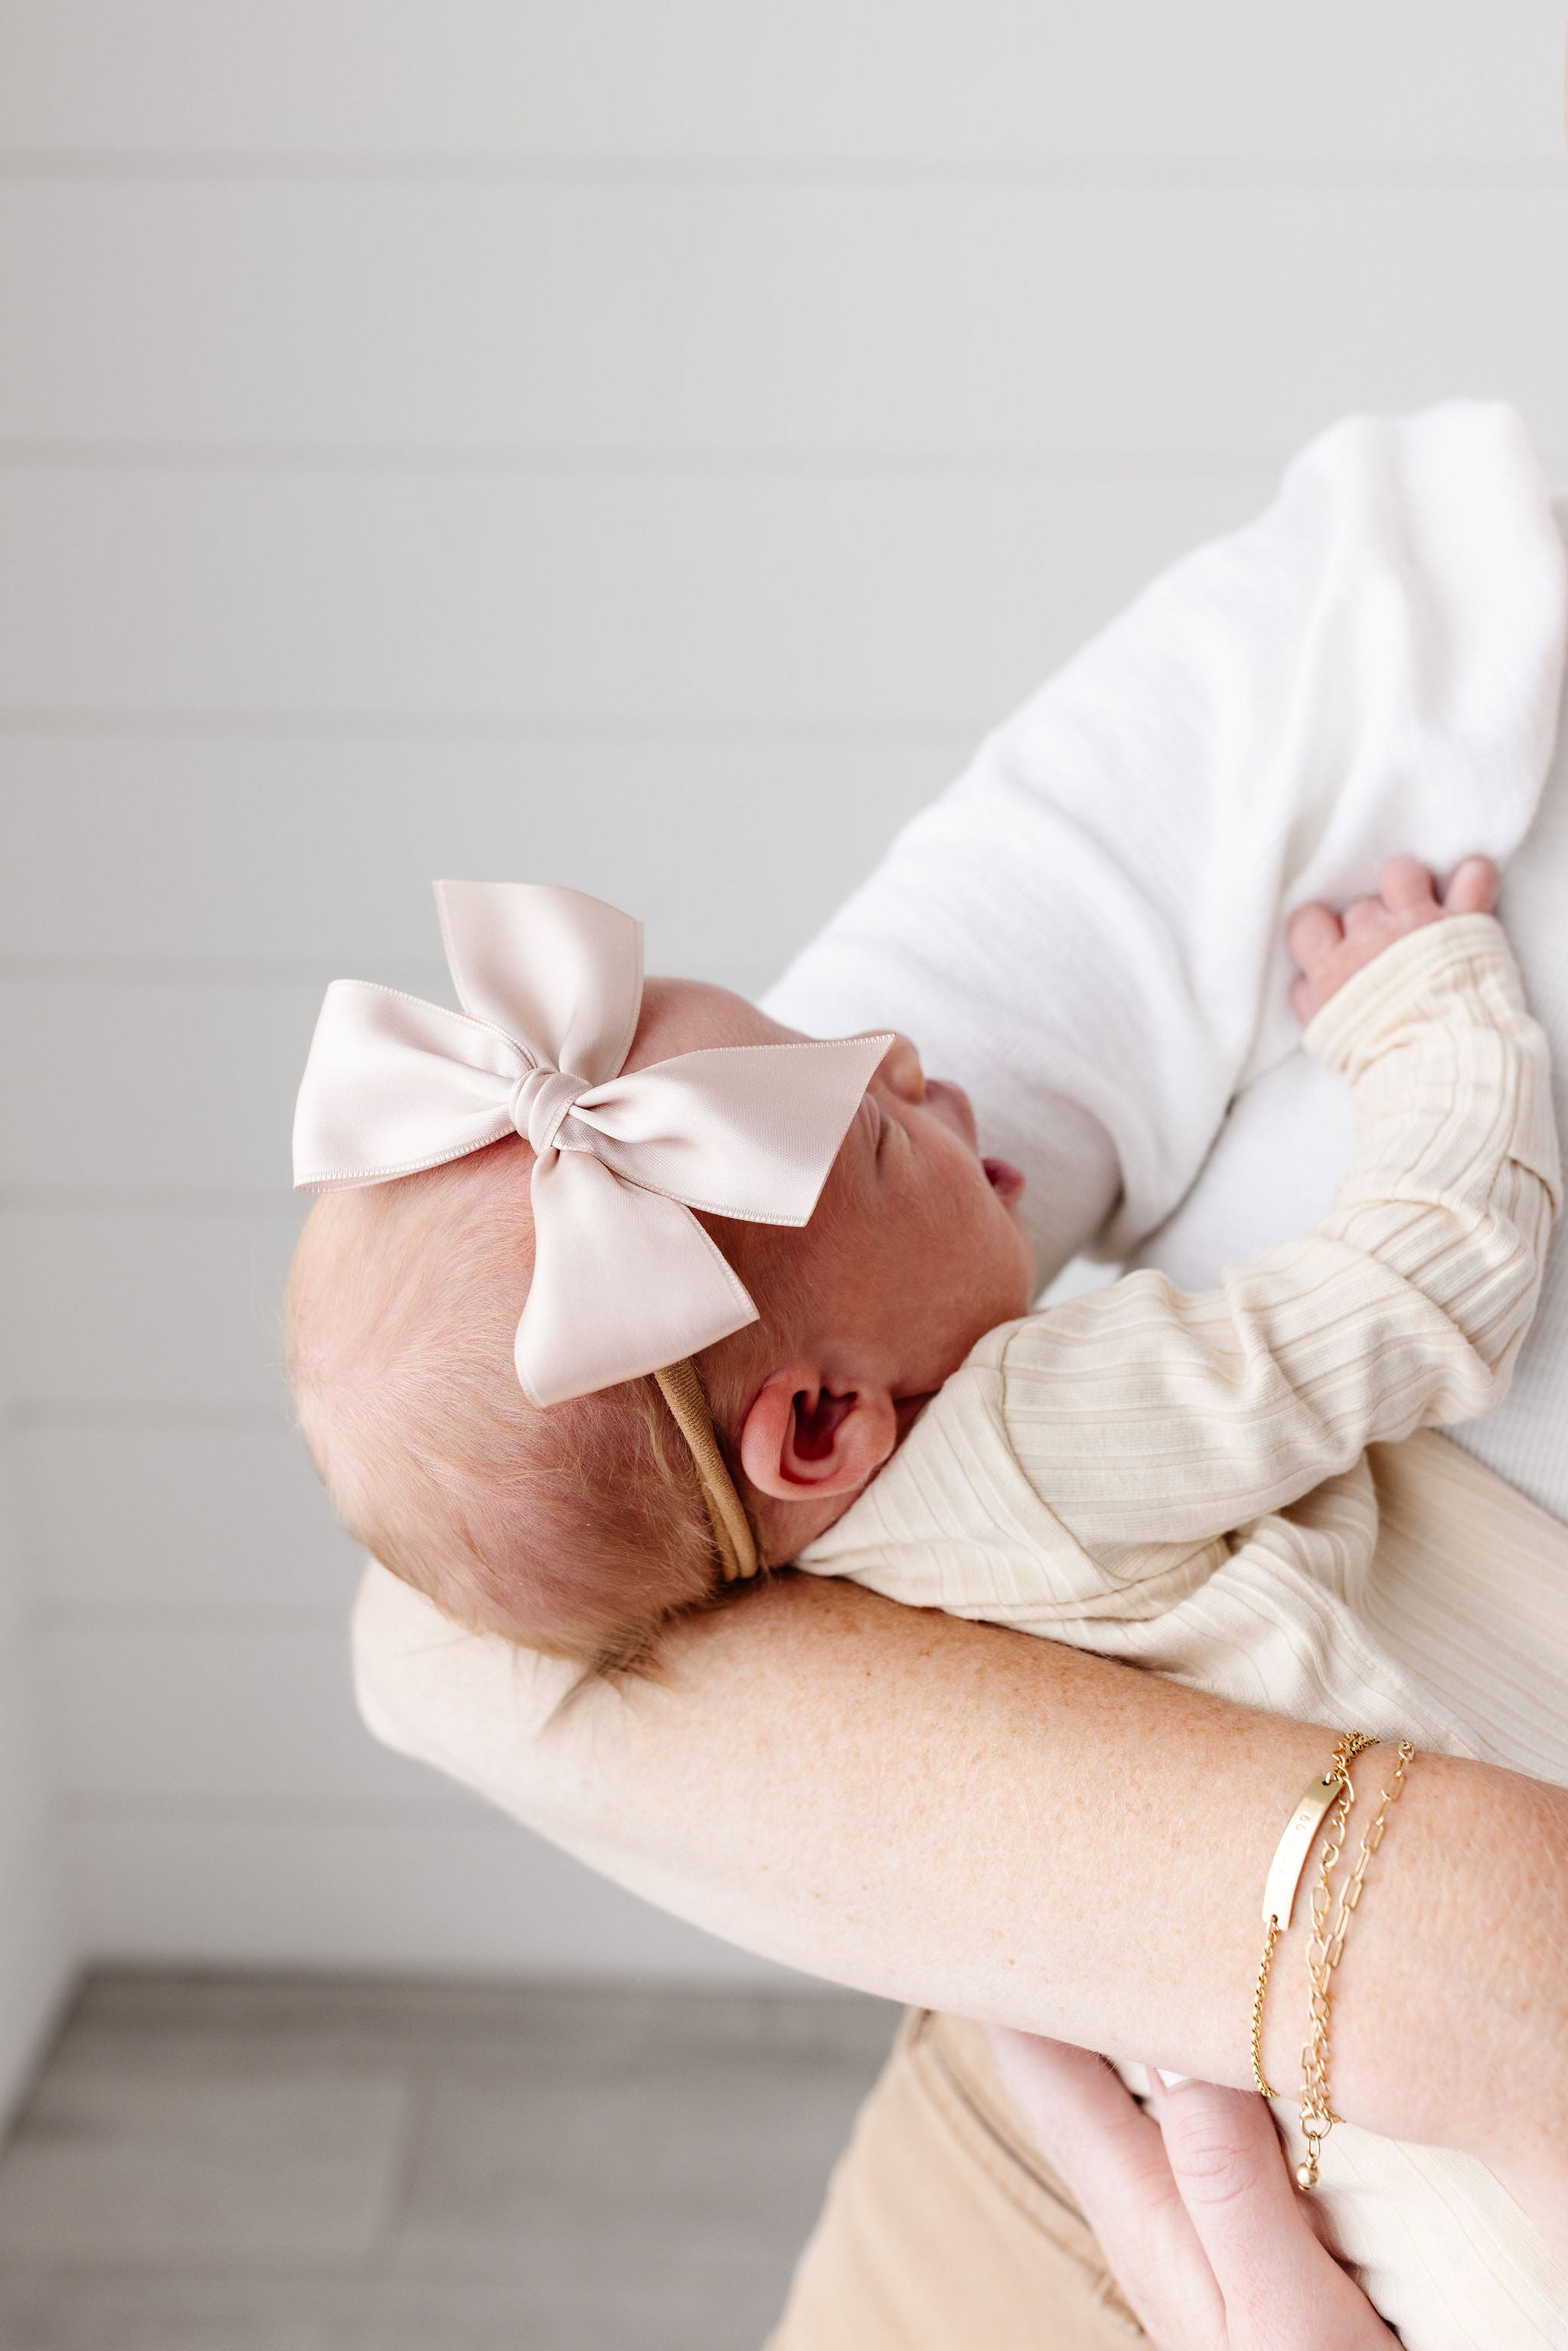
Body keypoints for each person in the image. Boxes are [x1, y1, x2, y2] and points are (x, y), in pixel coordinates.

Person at [349, 407, 1568, 2344]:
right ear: (816, 1425)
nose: (913, 1056)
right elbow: (1425, 1285)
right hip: (1360, 2192)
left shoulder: (778, 1526)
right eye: (884, 1120)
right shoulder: (1029, 1438)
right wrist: (1433, 1013)